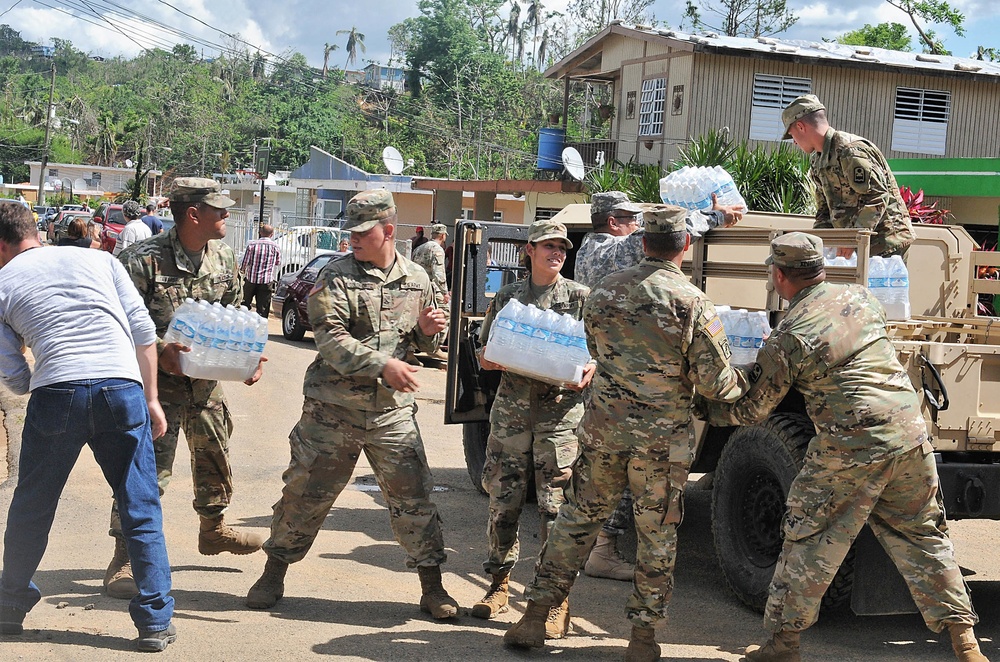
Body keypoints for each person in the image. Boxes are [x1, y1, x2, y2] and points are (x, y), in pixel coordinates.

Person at [700, 232, 985, 662]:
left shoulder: (789, 335)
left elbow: (754, 409)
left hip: (851, 443)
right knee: (925, 536)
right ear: (821, 268)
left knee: (808, 538)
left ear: (779, 276)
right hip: (909, 431)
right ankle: (966, 644)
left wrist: (705, 407)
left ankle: (783, 645)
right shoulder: (861, 297)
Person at [504, 205, 747, 661]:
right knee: (656, 536)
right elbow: (716, 382)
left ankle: (534, 616)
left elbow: (593, 350)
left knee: (576, 521)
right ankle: (642, 640)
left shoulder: (602, 292)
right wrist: (745, 382)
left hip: (603, 432)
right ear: (686, 245)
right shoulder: (691, 301)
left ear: (641, 242)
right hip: (660, 442)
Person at [245, 189, 458, 621]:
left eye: (364, 232)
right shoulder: (336, 275)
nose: (354, 239)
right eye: (351, 231)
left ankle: (433, 586)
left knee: (413, 497)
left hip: (391, 412)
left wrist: (428, 329)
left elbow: (420, 344)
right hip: (332, 410)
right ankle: (274, 571)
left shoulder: (418, 278)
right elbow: (330, 339)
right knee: (305, 494)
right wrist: (384, 366)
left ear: (388, 231)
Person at [0, 202, 176, 652]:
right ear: (33, 231)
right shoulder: (101, 260)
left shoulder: (2, 282)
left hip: (57, 392)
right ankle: (155, 621)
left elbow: (14, 374)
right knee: (140, 505)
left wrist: (39, 379)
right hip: (122, 387)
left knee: (32, 507)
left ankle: (8, 609)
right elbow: (141, 329)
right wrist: (151, 398)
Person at [104, 177, 265, 600]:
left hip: (206, 386)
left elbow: (233, 314)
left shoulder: (225, 257)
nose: (228, 215)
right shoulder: (141, 261)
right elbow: (117, 327)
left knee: (214, 455)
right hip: (156, 389)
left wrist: (245, 360)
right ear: (194, 213)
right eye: (220, 209)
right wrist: (161, 350)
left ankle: (213, 530)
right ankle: (125, 555)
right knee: (145, 473)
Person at [574, 190, 744, 582]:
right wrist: (715, 216)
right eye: (631, 218)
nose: (636, 224)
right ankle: (603, 551)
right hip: (639, 383)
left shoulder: (589, 250)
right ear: (613, 222)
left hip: (611, 378)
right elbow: (664, 238)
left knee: (604, 473)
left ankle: (588, 548)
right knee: (635, 479)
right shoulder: (612, 251)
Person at [471, 219, 593, 637]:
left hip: (560, 415)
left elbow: (598, 355)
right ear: (530, 251)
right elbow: (485, 353)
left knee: (555, 508)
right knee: (502, 500)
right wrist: (492, 355)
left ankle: (554, 600)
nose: (557, 253)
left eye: (562, 247)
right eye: (548, 246)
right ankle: (499, 585)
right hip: (512, 414)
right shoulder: (508, 297)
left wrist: (591, 368)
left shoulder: (580, 299)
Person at [782, 94, 914, 259]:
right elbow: (825, 210)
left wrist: (853, 238)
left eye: (791, 135)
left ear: (801, 127)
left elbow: (877, 196)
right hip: (856, 245)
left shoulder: (850, 150)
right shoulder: (817, 161)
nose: (794, 142)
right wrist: (819, 243)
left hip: (886, 243)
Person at [239, 224, 282, 318]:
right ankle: (260, 326)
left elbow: (245, 262)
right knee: (263, 307)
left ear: (260, 233)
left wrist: (242, 271)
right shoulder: (275, 247)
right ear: (272, 234)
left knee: (244, 304)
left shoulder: (252, 245)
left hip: (251, 279)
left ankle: (243, 322)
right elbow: (278, 262)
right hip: (266, 281)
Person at [411, 223, 450, 303]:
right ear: (442, 236)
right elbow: (439, 274)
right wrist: (445, 293)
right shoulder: (437, 249)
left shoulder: (419, 248)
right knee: (445, 311)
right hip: (429, 289)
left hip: (416, 288)